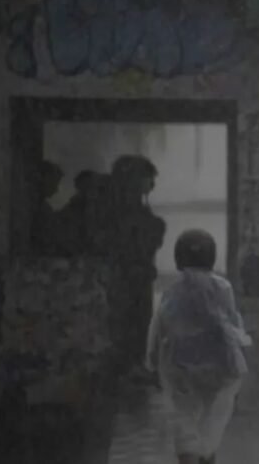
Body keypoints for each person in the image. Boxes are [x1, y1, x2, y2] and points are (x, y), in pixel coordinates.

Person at [146, 229, 251, 464]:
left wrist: (151, 361)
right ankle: (206, 455)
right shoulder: (223, 288)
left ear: (178, 257)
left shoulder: (172, 290)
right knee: (212, 423)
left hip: (180, 368)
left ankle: (190, 456)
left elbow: (159, 326)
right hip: (220, 369)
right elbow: (234, 325)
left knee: (184, 423)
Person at [108, 155, 167, 375]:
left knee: (138, 323)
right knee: (129, 323)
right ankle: (128, 366)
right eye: (148, 179)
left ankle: (132, 364)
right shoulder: (121, 209)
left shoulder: (134, 207)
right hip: (125, 278)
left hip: (136, 277)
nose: (151, 185)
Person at [31, 160, 65, 254]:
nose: (56, 189)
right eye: (55, 182)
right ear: (44, 178)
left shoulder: (46, 208)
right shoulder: (28, 204)